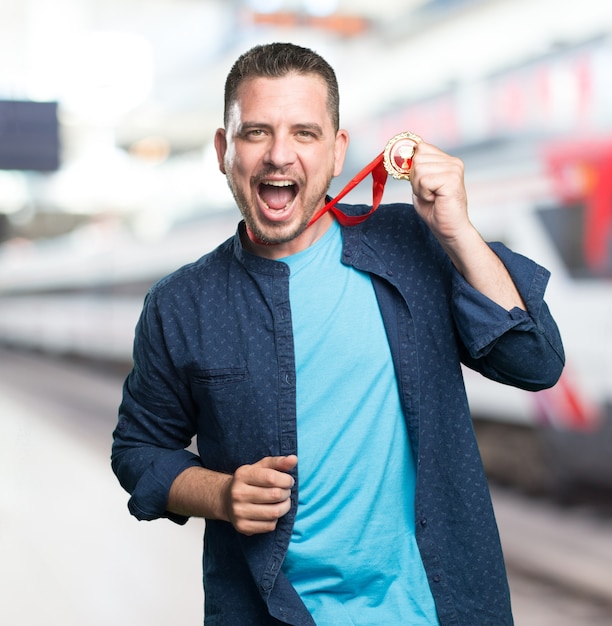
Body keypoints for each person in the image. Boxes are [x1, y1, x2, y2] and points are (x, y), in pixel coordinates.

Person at [111, 42, 564, 625]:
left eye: (304, 132)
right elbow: (138, 450)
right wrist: (220, 495)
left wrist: (457, 230)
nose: (279, 155)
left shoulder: (414, 244)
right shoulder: (182, 304)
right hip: (274, 613)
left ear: (336, 152)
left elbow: (536, 362)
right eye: (255, 132)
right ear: (223, 151)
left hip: (436, 610)